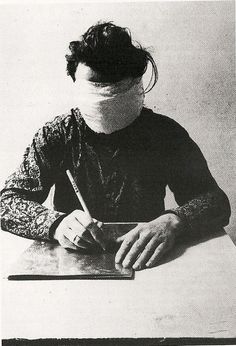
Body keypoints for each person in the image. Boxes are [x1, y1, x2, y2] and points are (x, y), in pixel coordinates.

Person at [1, 22, 231, 270]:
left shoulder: (165, 134)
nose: (105, 102)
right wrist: (56, 224)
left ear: (136, 85)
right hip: (73, 268)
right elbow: (7, 203)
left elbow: (215, 201)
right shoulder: (57, 135)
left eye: (113, 89)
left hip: (148, 262)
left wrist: (173, 221)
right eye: (96, 89)